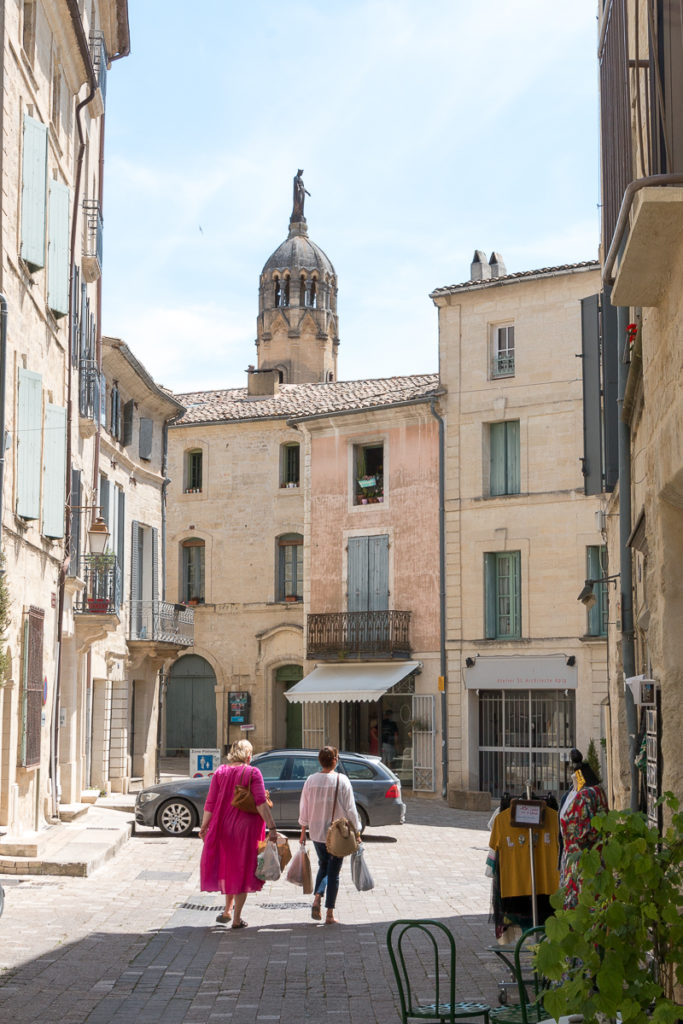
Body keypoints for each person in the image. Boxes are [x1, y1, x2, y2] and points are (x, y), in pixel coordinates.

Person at [198, 738, 278, 929]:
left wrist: (204, 826)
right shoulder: (252, 772)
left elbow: (210, 803)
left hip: (223, 827)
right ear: (248, 755)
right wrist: (272, 827)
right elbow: (260, 803)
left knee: (229, 867)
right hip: (247, 829)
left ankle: (227, 910)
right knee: (242, 870)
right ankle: (236, 919)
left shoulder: (220, 772)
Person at [298, 746, 361, 925]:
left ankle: (318, 898)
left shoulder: (311, 780)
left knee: (324, 866)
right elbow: (351, 809)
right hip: (337, 834)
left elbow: (304, 807)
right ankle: (329, 912)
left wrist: (303, 831)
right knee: (333, 872)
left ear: (320, 761)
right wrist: (356, 831)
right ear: (335, 760)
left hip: (317, 833)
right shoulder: (342, 780)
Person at [559, 748, 608, 908]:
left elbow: (583, 834)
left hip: (583, 870)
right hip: (574, 867)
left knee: (583, 916)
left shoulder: (585, 796)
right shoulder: (576, 793)